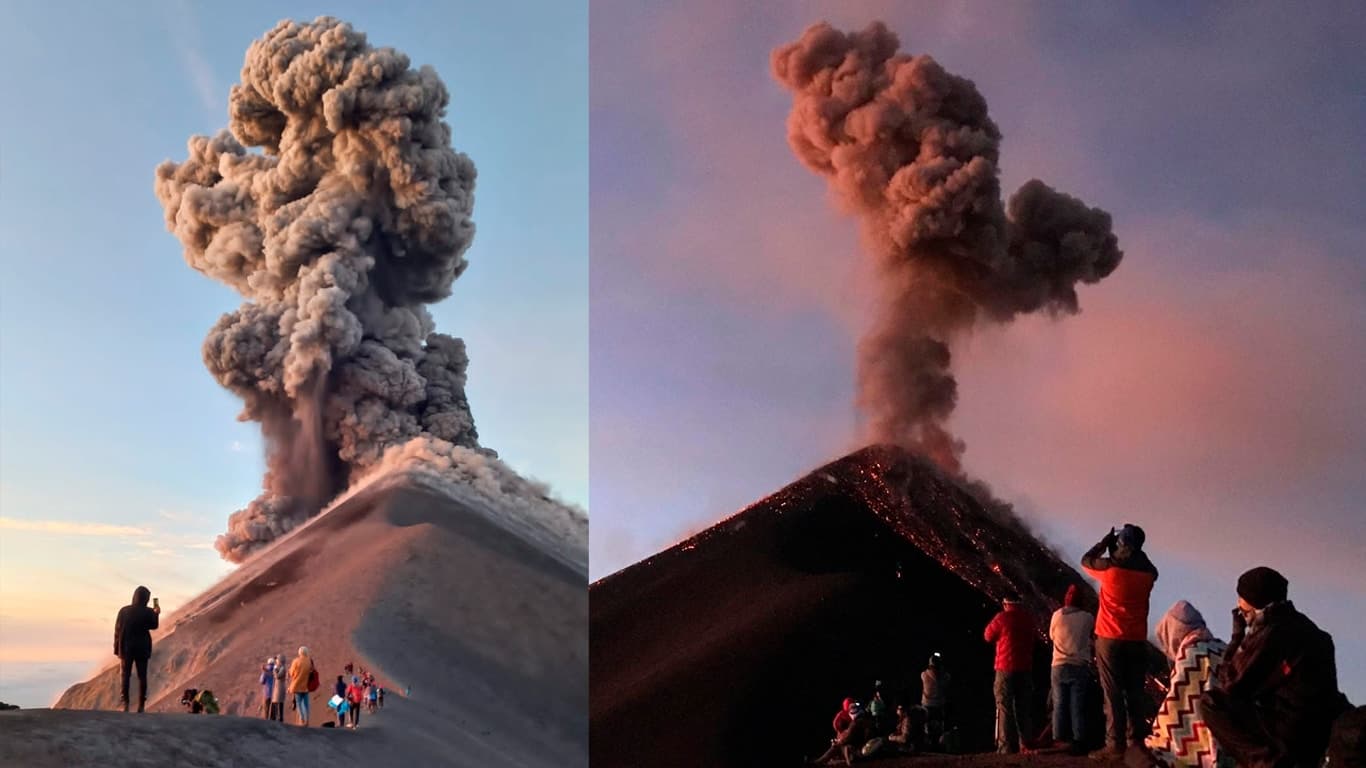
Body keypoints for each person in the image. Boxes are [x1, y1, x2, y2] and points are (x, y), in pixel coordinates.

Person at [1197, 567, 1348, 768]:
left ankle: (1267, 762)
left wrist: (1237, 636)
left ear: (1259, 607)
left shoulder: (1274, 632)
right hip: (1318, 732)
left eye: (1244, 611)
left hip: (1290, 732)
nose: (1241, 614)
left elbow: (1231, 683)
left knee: (1211, 703)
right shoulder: (1309, 630)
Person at [1081, 524, 1158, 757]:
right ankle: (1137, 741)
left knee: (1112, 690)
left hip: (1109, 637)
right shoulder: (1149, 574)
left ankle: (1115, 744)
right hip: (1136, 639)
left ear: (1121, 543)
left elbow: (1086, 561)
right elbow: (1148, 566)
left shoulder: (1110, 569)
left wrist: (1104, 543)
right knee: (1135, 690)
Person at [1144, 600, 1227, 768]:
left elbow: (1177, 704)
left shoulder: (1190, 653)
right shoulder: (1223, 648)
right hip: (1229, 738)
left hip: (1199, 744)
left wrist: (1159, 727)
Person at [985, 595, 1037, 754]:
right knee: (1023, 707)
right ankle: (1025, 744)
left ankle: (1005, 746)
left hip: (1004, 668)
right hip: (1025, 669)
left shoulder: (1002, 618)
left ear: (1005, 603)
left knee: (1004, 706)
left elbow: (988, 636)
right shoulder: (1028, 619)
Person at [1050, 584, 1096, 754]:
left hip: (1058, 665)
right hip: (1079, 665)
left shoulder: (1057, 616)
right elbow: (1091, 636)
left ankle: (1058, 739)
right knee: (1077, 705)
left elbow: (1051, 635)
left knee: (1059, 704)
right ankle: (1078, 742)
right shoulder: (1088, 617)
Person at [113, 586, 161, 713]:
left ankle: (126, 704)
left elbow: (117, 630)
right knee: (142, 676)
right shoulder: (149, 612)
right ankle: (141, 705)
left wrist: (116, 647)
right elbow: (154, 626)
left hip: (126, 647)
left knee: (125, 675)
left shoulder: (124, 611)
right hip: (142, 647)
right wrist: (156, 614)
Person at [811, 701, 875, 765]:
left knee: (836, 747)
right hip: (863, 747)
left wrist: (837, 741)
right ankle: (824, 761)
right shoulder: (866, 719)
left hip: (857, 749)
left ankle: (819, 761)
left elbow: (847, 737)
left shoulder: (855, 723)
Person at [921, 653, 950, 746]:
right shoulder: (944, 676)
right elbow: (948, 678)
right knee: (940, 724)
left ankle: (928, 743)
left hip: (927, 704)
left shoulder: (924, 675)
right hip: (939, 704)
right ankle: (939, 743)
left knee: (927, 724)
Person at [288, 646, 315, 726]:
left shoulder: (296, 661)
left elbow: (291, 673)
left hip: (297, 685)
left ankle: (302, 718)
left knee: (299, 703)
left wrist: (290, 672)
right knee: (306, 704)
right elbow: (311, 671)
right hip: (306, 686)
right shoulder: (309, 661)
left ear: (299, 652)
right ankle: (307, 720)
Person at [270, 654, 287, 721]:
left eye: (277, 659)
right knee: (277, 702)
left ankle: (279, 718)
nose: (276, 661)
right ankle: (276, 717)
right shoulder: (280, 668)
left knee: (279, 702)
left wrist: (274, 670)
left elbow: (277, 676)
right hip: (277, 688)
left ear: (280, 660)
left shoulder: (282, 668)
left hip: (280, 688)